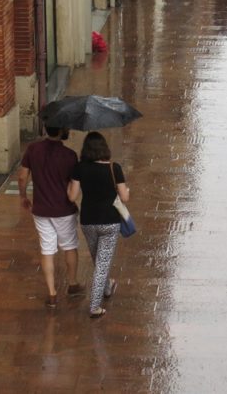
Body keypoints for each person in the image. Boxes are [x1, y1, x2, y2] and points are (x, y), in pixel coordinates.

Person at [18, 126, 84, 309]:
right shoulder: (70, 155)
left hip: (41, 209)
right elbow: (73, 185)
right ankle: (72, 283)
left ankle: (52, 293)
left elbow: (23, 177)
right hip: (64, 209)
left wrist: (23, 196)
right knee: (70, 246)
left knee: (47, 249)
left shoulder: (33, 149)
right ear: (62, 130)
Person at [67, 131, 130, 318]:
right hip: (110, 222)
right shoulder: (114, 168)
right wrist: (126, 190)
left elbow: (72, 196)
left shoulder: (79, 168)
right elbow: (124, 197)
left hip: (88, 221)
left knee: (99, 259)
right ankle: (95, 306)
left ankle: (108, 286)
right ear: (105, 148)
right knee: (102, 263)